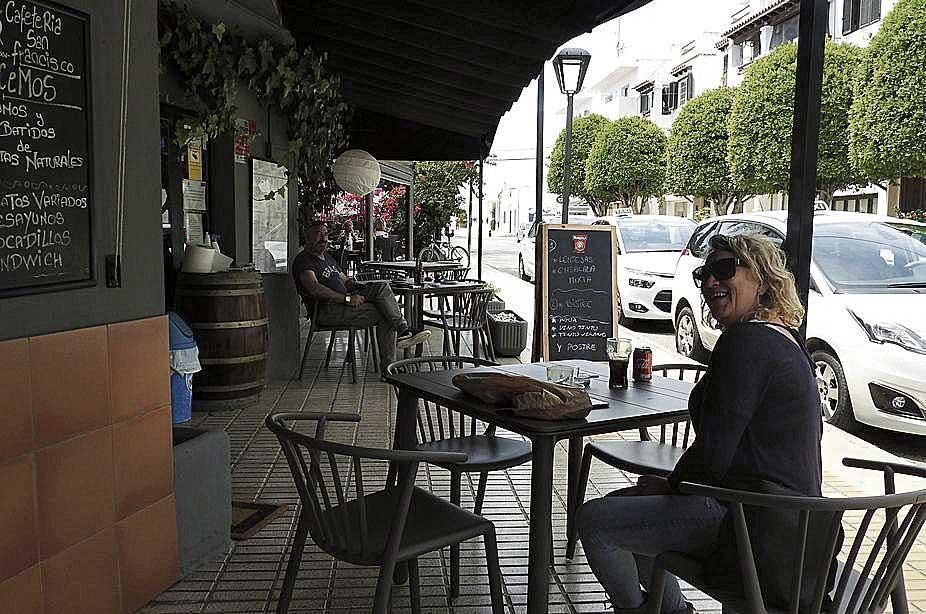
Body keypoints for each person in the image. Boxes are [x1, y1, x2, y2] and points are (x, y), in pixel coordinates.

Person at [577, 234, 823, 613]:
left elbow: (714, 454)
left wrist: (672, 486)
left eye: (724, 269)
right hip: (794, 528)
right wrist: (671, 486)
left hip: (748, 521)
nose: (710, 282)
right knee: (628, 509)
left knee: (595, 520)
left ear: (762, 278)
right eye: (703, 273)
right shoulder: (786, 339)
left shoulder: (747, 342)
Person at [292, 221, 430, 367]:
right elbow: (314, 288)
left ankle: (403, 330)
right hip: (327, 310)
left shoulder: (328, 258)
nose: (323, 238)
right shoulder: (303, 260)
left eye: (325, 234)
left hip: (343, 304)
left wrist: (362, 287)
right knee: (385, 314)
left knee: (381, 286)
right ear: (307, 237)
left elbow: (345, 281)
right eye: (318, 234)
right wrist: (347, 299)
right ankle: (391, 364)